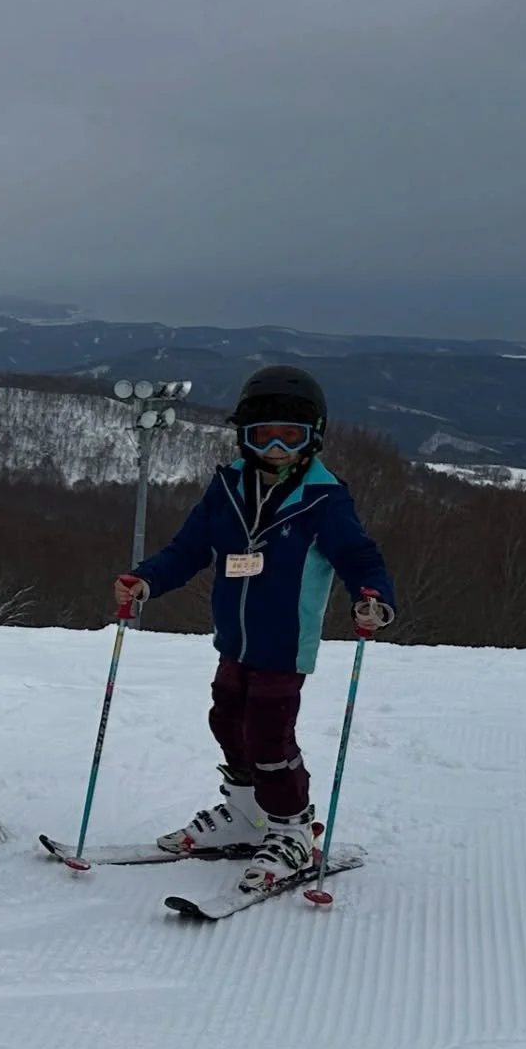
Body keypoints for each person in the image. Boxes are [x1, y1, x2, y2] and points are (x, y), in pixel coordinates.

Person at [113, 364, 395, 889]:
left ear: (314, 438)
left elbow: (360, 556)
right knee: (226, 719)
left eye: (292, 436)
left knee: (269, 732)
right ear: (244, 436)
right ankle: (247, 814)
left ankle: (291, 829)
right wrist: (147, 580)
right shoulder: (227, 489)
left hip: (285, 645)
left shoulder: (324, 499)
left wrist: (373, 597)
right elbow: (189, 549)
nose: (278, 448)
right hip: (234, 640)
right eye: (264, 435)